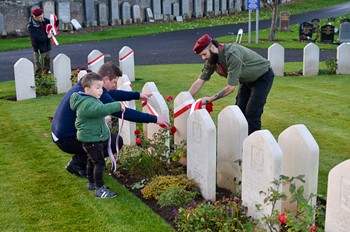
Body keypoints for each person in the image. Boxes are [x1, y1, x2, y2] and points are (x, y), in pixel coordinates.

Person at [51, 62, 170, 178]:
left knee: (104, 137)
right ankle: (77, 164)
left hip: (59, 134)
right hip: (67, 140)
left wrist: (137, 95)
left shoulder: (88, 85)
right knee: (114, 142)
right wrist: (155, 119)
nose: (114, 85)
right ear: (106, 79)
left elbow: (111, 93)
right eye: (114, 82)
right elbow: (122, 111)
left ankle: (78, 162)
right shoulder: (94, 91)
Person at [188, 34, 274, 135]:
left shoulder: (232, 54)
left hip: (262, 77)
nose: (203, 58)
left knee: (252, 112)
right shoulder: (212, 59)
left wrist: (210, 99)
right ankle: (240, 140)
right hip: (246, 80)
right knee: (239, 111)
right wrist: (186, 99)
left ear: (212, 48)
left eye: (204, 54)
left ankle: (254, 142)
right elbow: (200, 81)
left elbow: (230, 87)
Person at [70, 72, 125, 198]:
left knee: (91, 161)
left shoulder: (89, 100)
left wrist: (102, 119)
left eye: (101, 87)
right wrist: (117, 105)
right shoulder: (87, 103)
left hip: (92, 137)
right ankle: (100, 190)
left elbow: (94, 115)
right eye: (97, 88)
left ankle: (92, 183)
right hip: (92, 139)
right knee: (99, 163)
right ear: (87, 89)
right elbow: (99, 110)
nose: (101, 91)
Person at [27, 8, 55, 77]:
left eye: (42, 16)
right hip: (39, 49)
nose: (41, 18)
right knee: (39, 66)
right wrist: (47, 37)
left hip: (47, 46)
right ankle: (38, 80)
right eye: (39, 17)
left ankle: (46, 77)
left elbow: (53, 24)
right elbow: (37, 38)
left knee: (47, 64)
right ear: (34, 17)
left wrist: (55, 20)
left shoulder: (44, 20)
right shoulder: (31, 26)